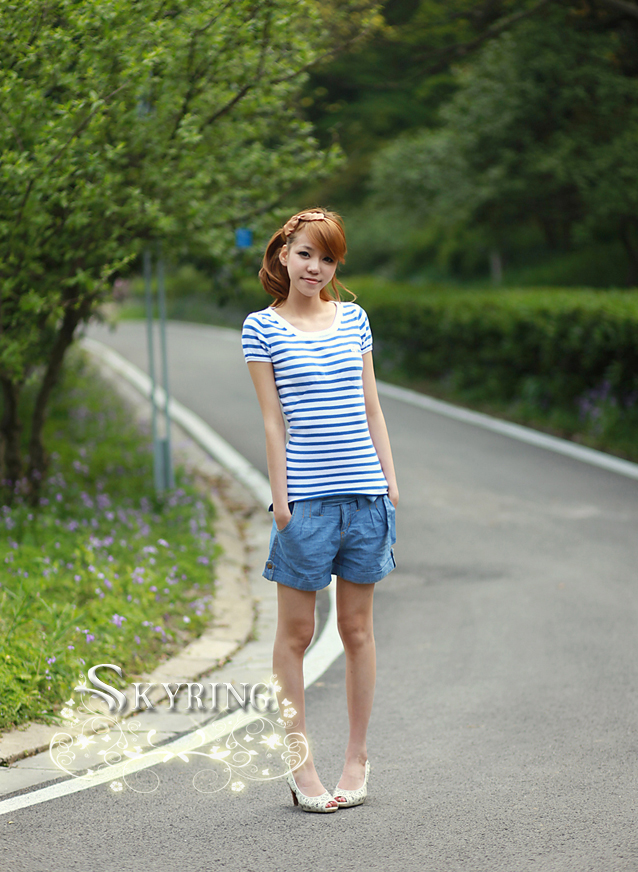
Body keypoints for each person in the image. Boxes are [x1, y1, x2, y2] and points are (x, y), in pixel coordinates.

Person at [241, 209, 398, 813]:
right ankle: (299, 761)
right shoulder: (262, 328)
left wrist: (389, 483)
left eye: (328, 258)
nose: (316, 267)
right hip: (304, 504)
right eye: (306, 253)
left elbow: (371, 405)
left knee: (357, 631)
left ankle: (357, 757)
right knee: (297, 635)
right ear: (284, 254)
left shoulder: (354, 319)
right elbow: (272, 421)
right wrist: (282, 503)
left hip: (365, 498)